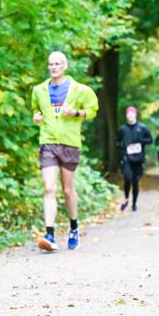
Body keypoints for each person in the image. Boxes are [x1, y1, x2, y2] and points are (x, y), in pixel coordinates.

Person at [30, 51, 99, 251]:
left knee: (67, 190)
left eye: (57, 64)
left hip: (69, 143)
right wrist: (36, 118)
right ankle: (50, 235)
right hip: (48, 143)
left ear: (65, 66)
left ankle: (74, 227)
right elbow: (36, 111)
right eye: (51, 64)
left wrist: (76, 113)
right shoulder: (39, 90)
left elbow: (93, 110)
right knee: (49, 188)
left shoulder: (80, 90)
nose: (53, 67)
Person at [116, 106, 153, 212]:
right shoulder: (122, 129)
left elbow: (150, 140)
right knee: (127, 178)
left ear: (135, 115)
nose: (130, 116)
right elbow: (117, 141)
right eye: (128, 114)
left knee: (135, 181)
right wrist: (121, 147)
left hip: (139, 159)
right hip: (127, 158)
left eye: (131, 114)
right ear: (126, 115)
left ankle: (134, 204)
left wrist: (141, 141)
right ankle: (126, 199)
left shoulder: (142, 127)